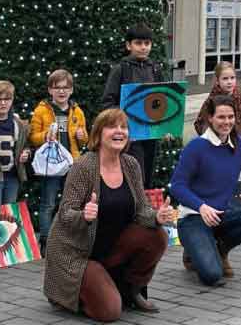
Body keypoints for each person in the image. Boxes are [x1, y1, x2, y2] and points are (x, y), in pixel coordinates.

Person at [43, 109, 174, 322]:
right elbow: (66, 213)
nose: (119, 131)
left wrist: (157, 216)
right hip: (78, 252)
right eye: (112, 126)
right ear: (98, 134)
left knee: (157, 235)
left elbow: (142, 209)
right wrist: (84, 215)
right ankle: (66, 294)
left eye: (123, 127)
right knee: (110, 312)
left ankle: (131, 290)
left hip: (110, 246)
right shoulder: (83, 167)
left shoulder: (130, 165)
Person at [170, 95, 241, 286]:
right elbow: (177, 186)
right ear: (210, 119)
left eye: (230, 117)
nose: (227, 122)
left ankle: (220, 248)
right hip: (194, 216)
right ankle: (191, 250)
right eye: (221, 117)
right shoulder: (196, 147)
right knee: (211, 276)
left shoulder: (238, 144)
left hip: (224, 212)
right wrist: (201, 206)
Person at [29, 69, 88, 252]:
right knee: (48, 203)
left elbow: (85, 139)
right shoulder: (41, 111)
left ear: (71, 90)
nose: (61, 92)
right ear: (50, 90)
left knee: (72, 203)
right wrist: (45, 136)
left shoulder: (77, 111)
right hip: (52, 165)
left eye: (65, 88)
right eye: (57, 88)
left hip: (72, 163)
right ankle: (46, 240)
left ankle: (69, 238)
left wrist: (82, 135)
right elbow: (32, 136)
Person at [101, 23, 164, 189]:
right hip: (129, 135)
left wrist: (165, 126)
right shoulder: (120, 69)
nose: (143, 47)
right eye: (138, 43)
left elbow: (162, 100)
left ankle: (142, 212)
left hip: (151, 134)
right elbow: (108, 102)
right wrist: (123, 123)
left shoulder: (155, 69)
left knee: (148, 176)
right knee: (134, 177)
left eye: (147, 43)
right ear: (129, 45)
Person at [193, 61, 241, 147]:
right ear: (217, 80)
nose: (229, 82)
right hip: (215, 148)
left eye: (232, 78)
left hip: (237, 148)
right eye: (225, 78)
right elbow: (199, 124)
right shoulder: (211, 101)